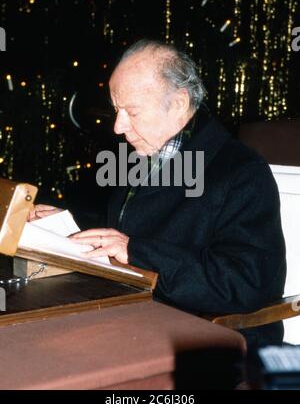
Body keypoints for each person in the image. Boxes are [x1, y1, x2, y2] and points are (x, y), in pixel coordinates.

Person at [30, 40, 286, 348]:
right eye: (116, 110)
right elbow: (130, 230)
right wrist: (67, 224)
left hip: (209, 340)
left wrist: (138, 253)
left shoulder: (242, 173)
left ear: (178, 103)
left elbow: (246, 283)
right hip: (134, 319)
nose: (118, 126)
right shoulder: (145, 155)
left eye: (132, 111)